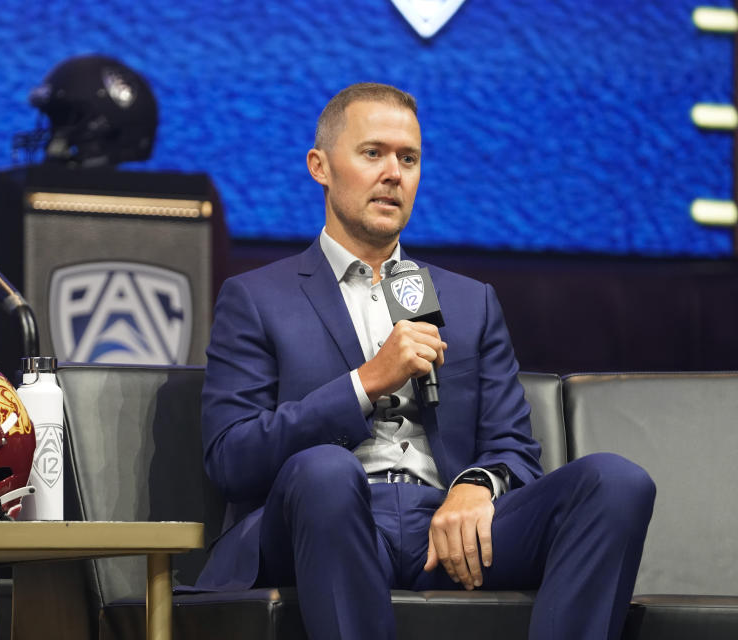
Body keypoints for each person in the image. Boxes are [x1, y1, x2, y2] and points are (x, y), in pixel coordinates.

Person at [194, 83, 655, 640]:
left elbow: (514, 447)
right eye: (373, 153)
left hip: (445, 527)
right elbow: (231, 457)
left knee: (616, 481)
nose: (394, 174)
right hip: (325, 519)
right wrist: (365, 384)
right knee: (325, 471)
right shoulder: (256, 298)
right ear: (320, 166)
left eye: (408, 159)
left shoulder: (469, 301)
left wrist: (475, 485)